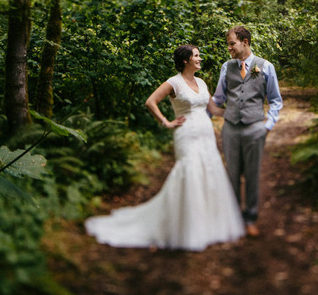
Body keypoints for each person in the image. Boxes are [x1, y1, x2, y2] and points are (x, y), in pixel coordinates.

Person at [84, 45, 245, 251]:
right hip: (185, 134)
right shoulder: (174, 82)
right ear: (186, 60)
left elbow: (213, 109)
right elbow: (151, 102)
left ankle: (208, 224)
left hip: (206, 134)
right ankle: (185, 227)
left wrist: (234, 112)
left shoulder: (202, 83)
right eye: (196, 56)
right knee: (189, 173)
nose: (200, 58)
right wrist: (166, 122)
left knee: (209, 173)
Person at [211, 25, 283, 238]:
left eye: (232, 43)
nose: (229, 48)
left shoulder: (266, 66)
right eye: (228, 44)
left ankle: (250, 218)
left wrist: (267, 126)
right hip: (231, 129)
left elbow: (276, 100)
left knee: (252, 175)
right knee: (232, 174)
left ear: (245, 42)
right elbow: (218, 99)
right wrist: (199, 112)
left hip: (254, 129)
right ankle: (232, 219)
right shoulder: (226, 67)